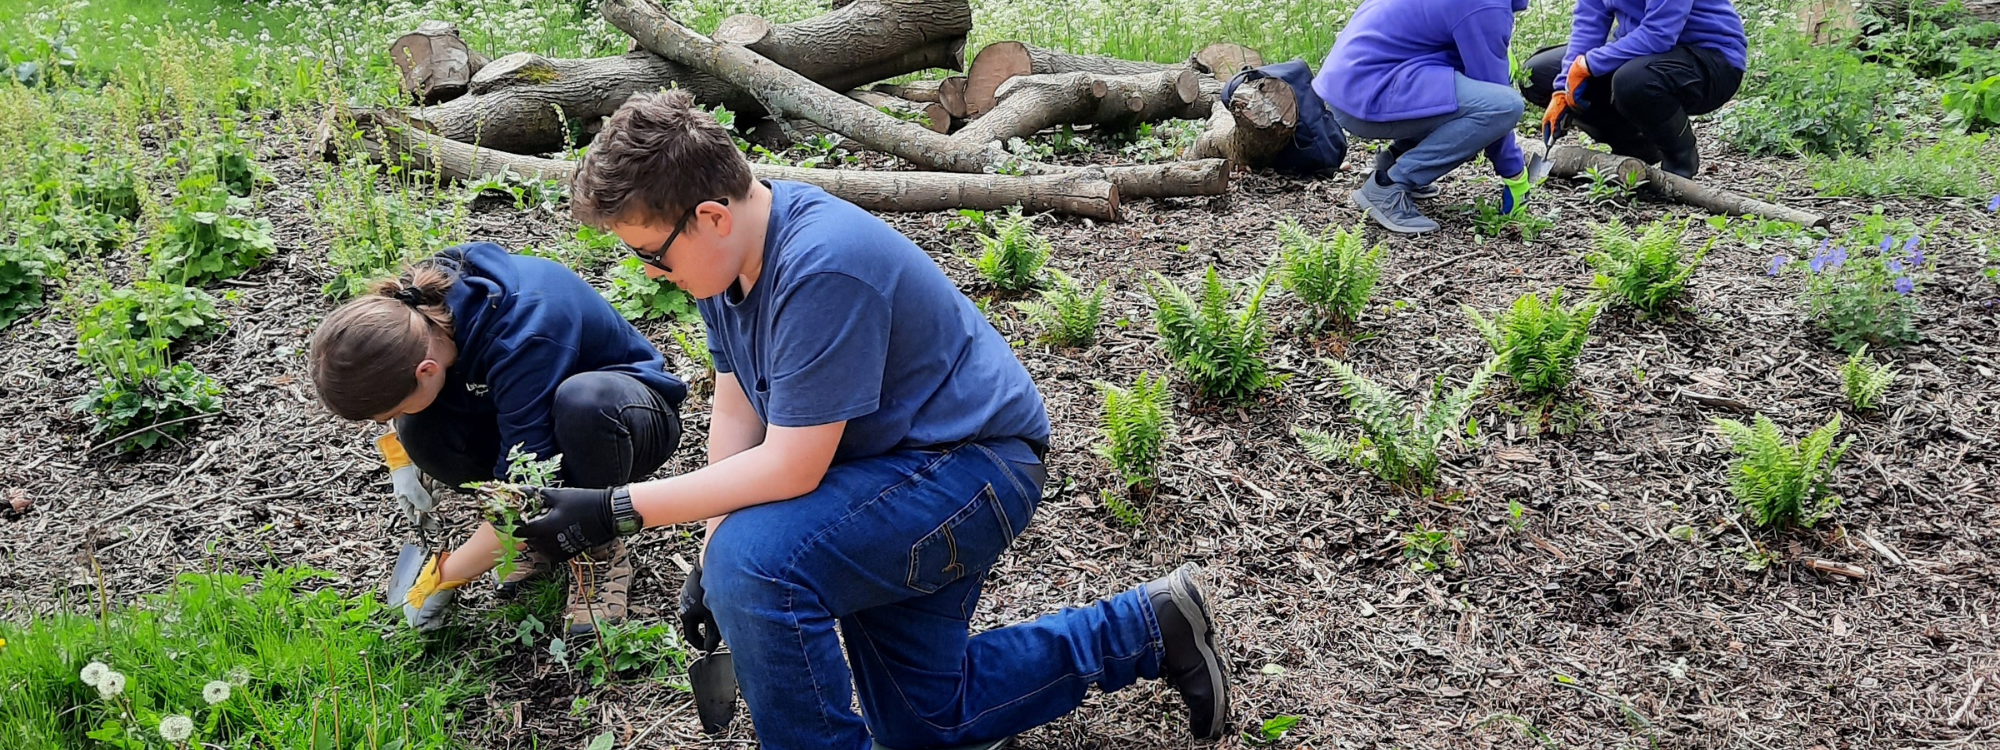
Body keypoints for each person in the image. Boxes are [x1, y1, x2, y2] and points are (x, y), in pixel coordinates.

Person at [503, 90, 1232, 749]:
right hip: (887, 474)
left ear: (710, 216)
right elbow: (738, 403)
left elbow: (791, 467)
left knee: (760, 567)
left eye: (651, 257)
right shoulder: (723, 261)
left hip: (971, 470)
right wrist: (707, 554)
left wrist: (619, 509)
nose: (650, 273)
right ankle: (1149, 628)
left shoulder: (821, 266)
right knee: (925, 721)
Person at [309, 242, 687, 637]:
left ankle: (597, 548)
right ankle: (538, 539)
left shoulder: (524, 330)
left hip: (626, 419)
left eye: (392, 411)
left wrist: (444, 577)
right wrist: (402, 455)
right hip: (528, 410)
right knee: (419, 432)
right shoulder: (413, 315)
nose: (392, 421)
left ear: (425, 369)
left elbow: (523, 488)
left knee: (584, 405)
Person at [1318, 0, 1534, 234]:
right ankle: (1389, 186)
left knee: (1477, 95)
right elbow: (1496, 108)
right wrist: (1515, 174)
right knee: (1504, 106)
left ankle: (1394, 160)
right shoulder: (1485, 6)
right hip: (1368, 93)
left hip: (1347, 85)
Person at [1523, 0, 1747, 177]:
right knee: (1536, 75)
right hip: (1644, 51)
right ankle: (1636, 146)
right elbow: (1588, 24)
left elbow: (1660, 33)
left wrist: (1588, 65)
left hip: (1710, 58)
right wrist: (1563, 87)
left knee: (1632, 81)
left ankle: (1680, 159)